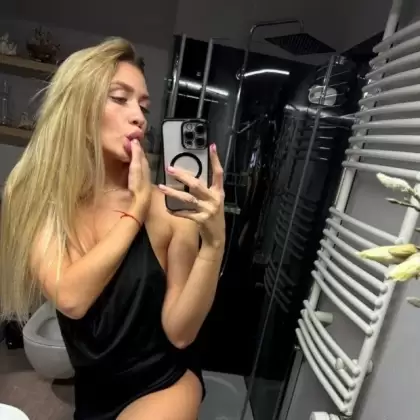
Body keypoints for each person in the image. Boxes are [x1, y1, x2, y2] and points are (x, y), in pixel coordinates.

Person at [0, 37, 226, 420]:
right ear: (79, 107)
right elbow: (71, 297)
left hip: (163, 383)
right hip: (93, 394)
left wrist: (214, 245)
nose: (139, 116)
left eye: (143, 106)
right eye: (120, 98)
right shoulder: (36, 198)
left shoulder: (170, 211)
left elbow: (180, 332)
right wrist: (135, 210)